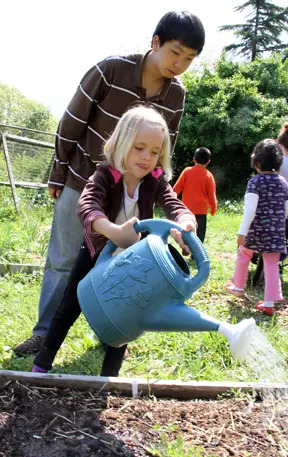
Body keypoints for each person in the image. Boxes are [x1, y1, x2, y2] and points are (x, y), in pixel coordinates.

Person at [14, 11, 206, 355]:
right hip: (83, 179)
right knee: (63, 260)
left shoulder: (176, 94)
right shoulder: (111, 70)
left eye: (189, 59)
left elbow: (167, 145)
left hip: (133, 192)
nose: (180, 64)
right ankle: (44, 332)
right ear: (156, 43)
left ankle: (113, 330)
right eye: (175, 52)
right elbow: (72, 122)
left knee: (127, 264)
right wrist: (58, 173)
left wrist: (169, 203)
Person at [31, 105, 198, 376]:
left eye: (155, 152)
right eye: (139, 147)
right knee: (69, 306)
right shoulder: (105, 175)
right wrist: (112, 231)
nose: (147, 157)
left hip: (132, 259)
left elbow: (174, 205)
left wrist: (185, 223)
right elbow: (87, 207)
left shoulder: (154, 180)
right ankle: (41, 365)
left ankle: (110, 377)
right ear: (121, 143)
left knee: (125, 314)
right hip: (97, 250)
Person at [225, 139, 288, 316]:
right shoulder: (283, 182)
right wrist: (276, 222)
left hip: (256, 229)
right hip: (276, 230)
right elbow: (286, 209)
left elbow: (250, 210)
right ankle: (269, 303)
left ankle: (238, 286)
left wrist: (242, 232)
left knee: (244, 254)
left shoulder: (255, 182)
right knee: (271, 264)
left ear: (257, 161)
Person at [173, 147, 217, 244]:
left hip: (186, 209)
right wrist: (213, 209)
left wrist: (171, 202)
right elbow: (211, 195)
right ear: (208, 162)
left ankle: (186, 247)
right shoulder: (208, 175)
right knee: (200, 233)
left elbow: (176, 189)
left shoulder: (187, 171)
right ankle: (196, 253)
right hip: (201, 210)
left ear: (194, 159)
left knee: (186, 229)